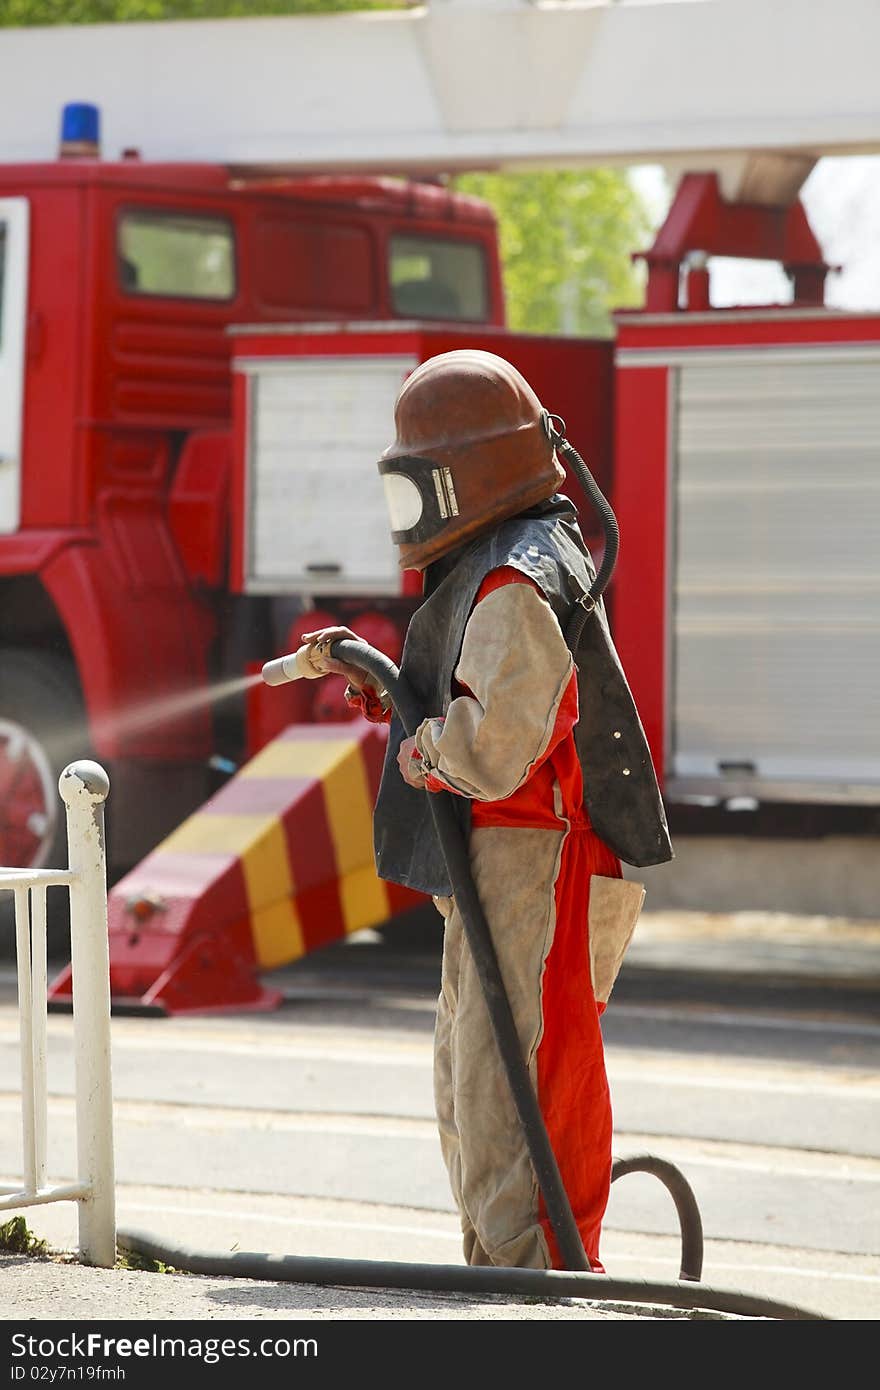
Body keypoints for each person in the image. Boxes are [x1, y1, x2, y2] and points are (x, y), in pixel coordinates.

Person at [301, 349, 673, 1271]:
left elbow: (496, 743)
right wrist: (403, 697)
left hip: (532, 870)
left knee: (516, 1087)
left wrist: (427, 744)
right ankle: (498, 1273)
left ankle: (532, 1286)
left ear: (466, 478)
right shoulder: (500, 558)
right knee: (473, 1083)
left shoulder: (513, 577)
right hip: (504, 869)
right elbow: (500, 701)